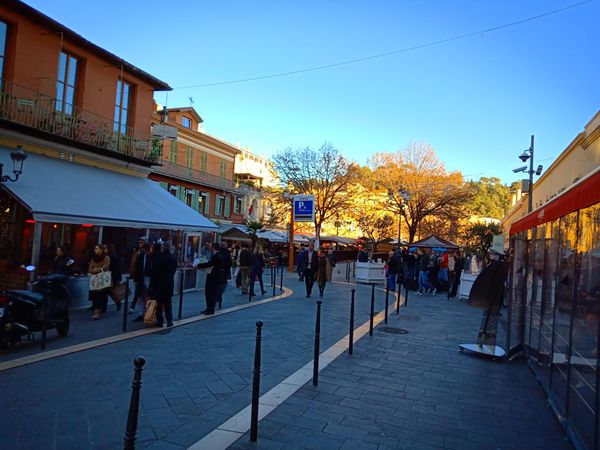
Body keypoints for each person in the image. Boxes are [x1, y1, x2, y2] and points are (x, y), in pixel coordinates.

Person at [150, 242, 177, 327]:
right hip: (169, 284)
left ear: (164, 248)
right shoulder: (173, 259)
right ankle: (169, 320)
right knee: (168, 303)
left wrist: (152, 285)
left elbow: (155, 272)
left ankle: (160, 321)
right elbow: (173, 271)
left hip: (159, 284)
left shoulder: (160, 258)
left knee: (159, 303)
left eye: (162, 247)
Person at [196, 243, 225, 315]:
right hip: (215, 276)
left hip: (213, 277)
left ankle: (210, 309)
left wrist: (198, 265)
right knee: (210, 293)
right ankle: (209, 308)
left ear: (213, 248)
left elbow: (210, 264)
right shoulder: (219, 255)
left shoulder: (216, 256)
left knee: (210, 293)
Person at [131, 237, 153, 322]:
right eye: (139, 242)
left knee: (147, 294)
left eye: (142, 243)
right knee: (141, 295)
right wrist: (135, 278)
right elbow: (136, 267)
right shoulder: (139, 254)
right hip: (140, 277)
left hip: (148, 277)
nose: (140, 244)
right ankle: (141, 313)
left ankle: (148, 312)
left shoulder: (150, 254)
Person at [88, 244, 110, 320]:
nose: (95, 250)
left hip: (101, 279)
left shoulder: (106, 258)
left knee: (100, 296)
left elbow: (105, 268)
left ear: (101, 249)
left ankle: (97, 313)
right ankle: (96, 310)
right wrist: (98, 269)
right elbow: (90, 269)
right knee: (95, 296)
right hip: (95, 280)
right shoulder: (93, 259)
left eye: (97, 248)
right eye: (95, 248)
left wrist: (95, 270)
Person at [106, 243, 122, 311]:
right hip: (110, 276)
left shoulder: (112, 257)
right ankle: (117, 303)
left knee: (111, 292)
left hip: (113, 277)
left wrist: (118, 279)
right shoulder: (109, 256)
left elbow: (117, 268)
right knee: (109, 292)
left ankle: (118, 303)